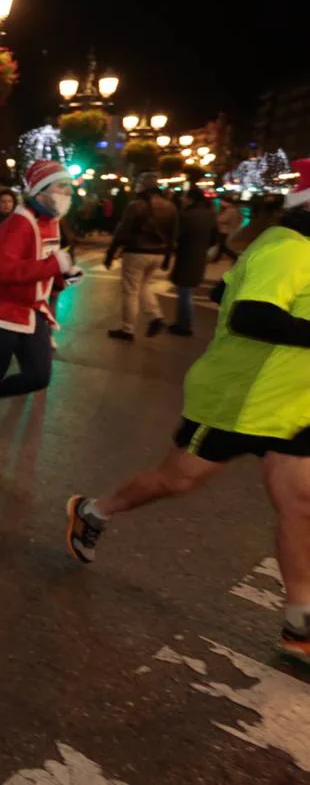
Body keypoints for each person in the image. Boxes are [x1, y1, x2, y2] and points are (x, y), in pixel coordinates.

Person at [66, 164, 310, 663]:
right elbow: (250, 314)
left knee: (302, 503)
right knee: (176, 480)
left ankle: (299, 621)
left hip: (294, 404)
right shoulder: (288, 247)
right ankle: (92, 511)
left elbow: (227, 294)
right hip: (237, 400)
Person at [0, 160, 83, 448]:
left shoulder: (51, 221)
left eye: (70, 187)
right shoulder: (19, 223)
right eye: (63, 186)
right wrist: (52, 265)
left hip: (32, 312)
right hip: (1, 313)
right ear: (42, 190)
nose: (68, 192)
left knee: (38, 375)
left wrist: (64, 277)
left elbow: (45, 270)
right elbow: (2, 272)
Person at [105, 176, 178, 341]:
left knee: (130, 290)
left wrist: (111, 253)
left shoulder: (136, 205)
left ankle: (127, 329)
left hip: (137, 251)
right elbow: (173, 234)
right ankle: (155, 316)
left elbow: (122, 230)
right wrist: (167, 257)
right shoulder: (170, 206)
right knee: (144, 285)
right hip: (158, 253)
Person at [168, 184, 217, 336]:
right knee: (186, 290)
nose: (183, 199)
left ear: (191, 199)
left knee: (184, 291)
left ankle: (184, 324)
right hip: (199, 255)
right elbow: (214, 237)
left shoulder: (186, 215)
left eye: (185, 197)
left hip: (186, 255)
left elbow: (176, 236)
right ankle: (183, 322)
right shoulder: (210, 214)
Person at [214, 198, 242, 263]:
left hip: (225, 230)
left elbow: (223, 219)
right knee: (221, 245)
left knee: (223, 246)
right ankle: (217, 258)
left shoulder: (229, 210)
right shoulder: (232, 209)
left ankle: (235, 257)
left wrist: (217, 218)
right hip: (225, 230)